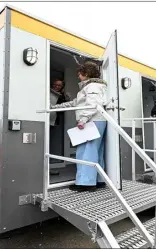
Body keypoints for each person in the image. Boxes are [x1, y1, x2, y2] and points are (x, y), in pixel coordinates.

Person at [51, 61, 107, 192]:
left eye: (80, 74)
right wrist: (54, 107)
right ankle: (98, 181)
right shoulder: (91, 87)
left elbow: (93, 104)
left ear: (86, 73)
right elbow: (76, 103)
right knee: (95, 151)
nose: (78, 76)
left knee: (86, 152)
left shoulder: (92, 86)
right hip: (96, 120)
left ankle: (86, 183)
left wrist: (83, 119)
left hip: (92, 121)